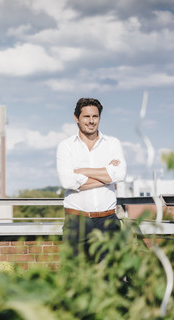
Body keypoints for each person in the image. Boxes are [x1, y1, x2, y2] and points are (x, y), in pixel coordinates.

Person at [56, 97, 126, 260]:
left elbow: (120, 174)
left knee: (111, 276)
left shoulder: (112, 143)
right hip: (77, 223)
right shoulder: (66, 146)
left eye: (95, 116)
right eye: (86, 117)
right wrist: (107, 175)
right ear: (76, 118)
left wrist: (83, 171)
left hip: (108, 221)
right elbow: (67, 181)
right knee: (75, 277)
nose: (91, 121)